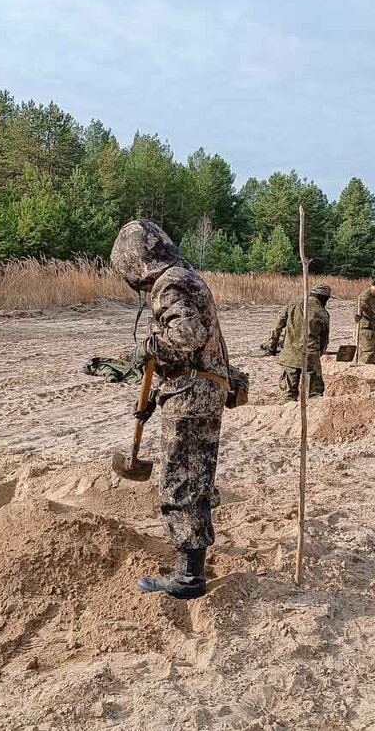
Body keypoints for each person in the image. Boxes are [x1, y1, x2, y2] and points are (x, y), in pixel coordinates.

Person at [111, 219, 228, 600]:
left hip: (191, 396)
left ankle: (189, 577)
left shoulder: (170, 283)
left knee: (182, 482)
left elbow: (186, 337)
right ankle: (191, 565)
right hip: (201, 391)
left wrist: (150, 348)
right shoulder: (185, 277)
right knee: (195, 479)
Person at [266, 284, 331, 402]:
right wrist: (319, 353)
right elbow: (324, 339)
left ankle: (289, 416)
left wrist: (272, 346)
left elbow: (277, 327)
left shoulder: (293, 304)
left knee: (288, 394)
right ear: (324, 298)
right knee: (315, 394)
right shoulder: (322, 313)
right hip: (311, 357)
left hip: (290, 354)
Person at [355, 278, 375, 364]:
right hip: (366, 330)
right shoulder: (365, 297)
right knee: (367, 356)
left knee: (371, 355)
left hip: (372, 330)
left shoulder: (373, 297)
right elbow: (361, 311)